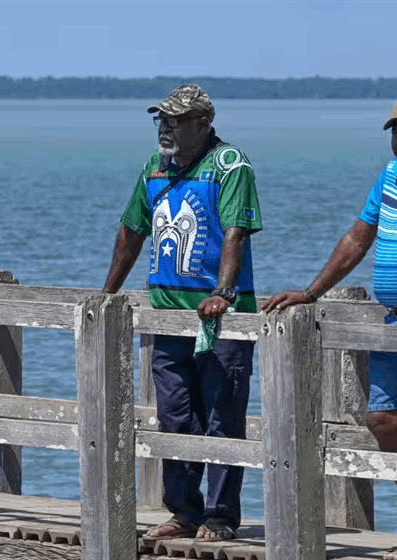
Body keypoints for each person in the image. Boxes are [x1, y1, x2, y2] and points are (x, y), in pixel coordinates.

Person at [262, 95, 397, 560]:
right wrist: (311, 291)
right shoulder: (390, 176)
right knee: (381, 420)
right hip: (393, 320)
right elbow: (359, 237)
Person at [103, 84, 262, 543]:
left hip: (219, 319)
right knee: (173, 416)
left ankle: (220, 516)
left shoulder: (230, 165)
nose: (166, 127)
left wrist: (224, 292)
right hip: (167, 317)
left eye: (175, 119)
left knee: (222, 417)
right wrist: (107, 294)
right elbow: (132, 231)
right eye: (161, 120)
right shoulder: (154, 167)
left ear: (204, 123)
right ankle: (184, 511)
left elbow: (236, 231)